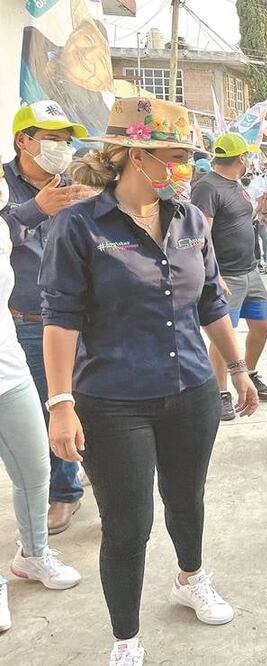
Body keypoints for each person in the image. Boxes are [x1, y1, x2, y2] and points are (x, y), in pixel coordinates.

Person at [41, 97, 260, 666]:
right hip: (111, 399)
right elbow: (60, 317)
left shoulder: (188, 219)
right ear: (135, 156)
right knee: (128, 522)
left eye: (187, 157)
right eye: (174, 156)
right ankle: (126, 637)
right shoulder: (79, 226)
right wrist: (60, 402)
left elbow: (211, 300)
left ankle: (190, 579)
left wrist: (238, 370)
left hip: (189, 388)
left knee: (187, 498)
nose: (183, 168)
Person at [3, 101, 97, 536]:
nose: (61, 147)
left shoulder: (76, 180)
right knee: (52, 407)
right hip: (27, 320)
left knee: (89, 401)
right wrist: (36, 209)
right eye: (51, 138)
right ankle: (64, 493)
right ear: (23, 140)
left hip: (79, 316)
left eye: (65, 139)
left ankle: (88, 468)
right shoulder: (4, 183)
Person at [0, 187, 83, 636]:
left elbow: (19, 222)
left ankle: (33, 554)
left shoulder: (1, 227)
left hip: (9, 370)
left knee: (34, 472)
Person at [191, 132, 267, 419]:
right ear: (241, 158)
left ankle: (248, 373)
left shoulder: (235, 185)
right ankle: (221, 391)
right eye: (247, 156)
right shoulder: (206, 187)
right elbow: (202, 234)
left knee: (262, 324)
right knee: (222, 335)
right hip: (227, 274)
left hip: (250, 271)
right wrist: (214, 274)